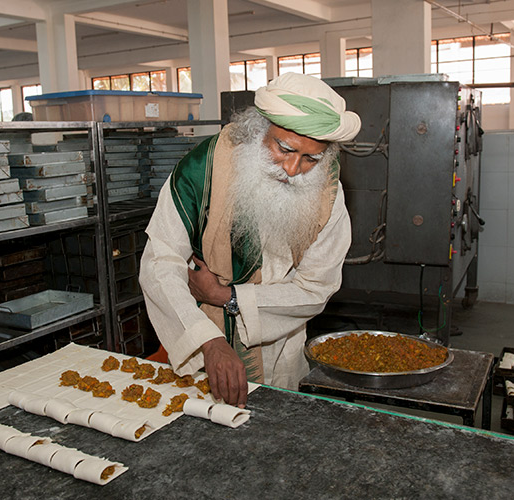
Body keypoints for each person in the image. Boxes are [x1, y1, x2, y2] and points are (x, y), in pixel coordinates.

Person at [139, 73, 361, 407]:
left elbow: (317, 287)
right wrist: (207, 341)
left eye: (310, 159)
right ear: (257, 129)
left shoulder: (327, 192)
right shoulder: (203, 169)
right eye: (283, 148)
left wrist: (228, 296)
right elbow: (160, 262)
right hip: (199, 335)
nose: (291, 168)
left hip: (279, 349)